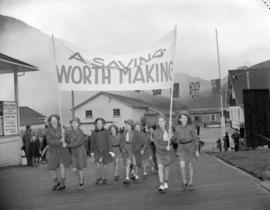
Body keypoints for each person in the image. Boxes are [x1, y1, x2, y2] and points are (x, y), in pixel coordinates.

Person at [172, 110, 199, 192]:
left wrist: (197, 150)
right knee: (182, 165)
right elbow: (174, 138)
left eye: (185, 118)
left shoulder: (191, 127)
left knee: (190, 165)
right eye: (182, 118)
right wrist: (170, 135)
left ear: (188, 119)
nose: (184, 119)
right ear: (179, 119)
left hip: (190, 147)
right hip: (181, 147)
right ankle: (184, 182)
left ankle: (191, 183)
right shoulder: (177, 128)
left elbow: (195, 138)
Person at [45, 114, 71, 191]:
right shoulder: (48, 131)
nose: (53, 121)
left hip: (62, 150)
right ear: (50, 122)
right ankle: (56, 183)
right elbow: (50, 141)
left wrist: (65, 135)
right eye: (52, 120)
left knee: (62, 167)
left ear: (58, 120)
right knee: (51, 168)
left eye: (55, 119)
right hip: (53, 151)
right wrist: (60, 140)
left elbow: (68, 140)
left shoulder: (62, 128)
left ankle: (62, 184)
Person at [153, 114, 176, 193]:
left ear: (165, 122)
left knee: (166, 168)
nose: (161, 123)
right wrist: (164, 148)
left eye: (163, 121)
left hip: (168, 152)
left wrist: (172, 135)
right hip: (159, 152)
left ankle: (165, 181)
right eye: (160, 121)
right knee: (160, 167)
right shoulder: (155, 132)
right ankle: (161, 184)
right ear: (158, 123)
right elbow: (156, 145)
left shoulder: (168, 129)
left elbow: (173, 139)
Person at [64, 117, 87, 190]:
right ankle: (81, 178)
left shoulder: (80, 132)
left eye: (75, 123)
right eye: (73, 123)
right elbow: (68, 140)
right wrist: (64, 137)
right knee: (74, 169)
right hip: (73, 152)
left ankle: (81, 183)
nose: (74, 124)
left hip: (80, 151)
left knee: (80, 168)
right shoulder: (70, 132)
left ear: (78, 124)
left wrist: (67, 145)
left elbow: (77, 143)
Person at [91, 118, 114, 185]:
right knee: (97, 166)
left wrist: (110, 151)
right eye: (97, 123)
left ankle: (104, 178)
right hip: (97, 150)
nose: (99, 125)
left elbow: (109, 141)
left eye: (100, 123)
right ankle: (99, 177)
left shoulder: (106, 131)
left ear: (103, 124)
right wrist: (91, 151)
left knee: (105, 165)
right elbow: (92, 142)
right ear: (95, 124)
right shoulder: (93, 132)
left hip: (105, 150)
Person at [120, 119, 143, 185]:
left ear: (131, 125)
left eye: (127, 125)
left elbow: (140, 142)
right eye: (125, 125)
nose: (126, 126)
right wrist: (122, 148)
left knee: (135, 164)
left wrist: (135, 149)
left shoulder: (135, 132)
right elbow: (122, 141)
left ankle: (136, 176)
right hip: (126, 149)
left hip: (133, 149)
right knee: (128, 163)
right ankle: (127, 178)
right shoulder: (124, 133)